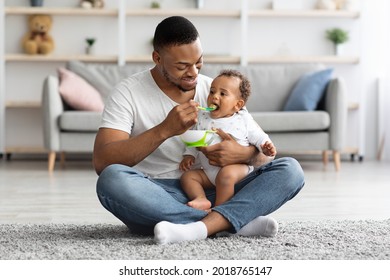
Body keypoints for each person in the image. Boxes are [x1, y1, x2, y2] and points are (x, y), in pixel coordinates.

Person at [93, 16, 305, 245]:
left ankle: (197, 226)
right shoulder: (128, 93)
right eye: (182, 66)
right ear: (157, 58)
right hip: (159, 195)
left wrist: (243, 154)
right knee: (111, 181)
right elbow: (103, 162)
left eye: (198, 62)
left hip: (219, 189)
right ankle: (230, 221)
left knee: (291, 169)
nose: (193, 73)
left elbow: (263, 151)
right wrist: (165, 129)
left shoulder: (217, 90)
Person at [179, 69, 276, 211]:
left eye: (222, 94)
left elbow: (259, 137)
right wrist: (189, 155)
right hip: (208, 173)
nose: (214, 97)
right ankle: (200, 198)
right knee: (188, 177)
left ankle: (220, 211)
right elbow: (196, 138)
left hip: (236, 171)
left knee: (225, 175)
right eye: (212, 92)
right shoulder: (202, 117)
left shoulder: (243, 120)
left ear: (237, 105)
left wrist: (265, 147)